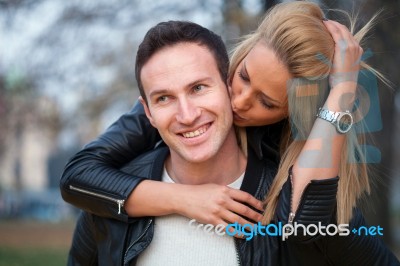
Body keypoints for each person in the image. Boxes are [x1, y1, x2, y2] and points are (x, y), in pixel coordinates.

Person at [62, 2, 400, 265]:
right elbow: (77, 176)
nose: (237, 101)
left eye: (266, 102)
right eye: (244, 77)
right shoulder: (178, 104)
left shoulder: (299, 167)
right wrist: (187, 199)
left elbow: (300, 227)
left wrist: (341, 92)